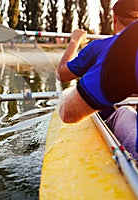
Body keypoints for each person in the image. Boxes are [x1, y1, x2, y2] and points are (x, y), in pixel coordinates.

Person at [57, 0, 138, 160]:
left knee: (124, 112)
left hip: (115, 112)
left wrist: (74, 42)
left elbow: (62, 74)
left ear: (114, 18)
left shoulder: (102, 48)